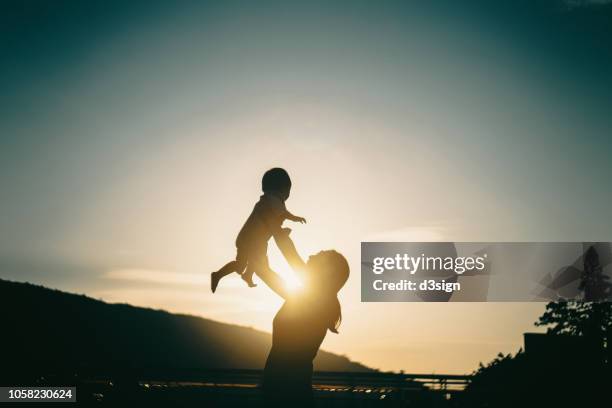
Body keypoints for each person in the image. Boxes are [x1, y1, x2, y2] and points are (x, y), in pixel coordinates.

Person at [256, 228, 350, 407]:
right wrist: (277, 235)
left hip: (286, 391)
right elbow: (287, 257)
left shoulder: (313, 298)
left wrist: (261, 246)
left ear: (326, 272)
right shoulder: (313, 295)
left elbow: (270, 272)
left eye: (320, 256)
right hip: (285, 388)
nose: (313, 254)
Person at [211, 168, 306, 292]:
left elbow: (274, 220)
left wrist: (284, 227)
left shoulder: (271, 201)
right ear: (282, 188)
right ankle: (218, 274)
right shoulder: (271, 199)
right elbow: (277, 217)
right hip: (249, 240)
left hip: (256, 241)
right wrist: (291, 220)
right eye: (288, 190)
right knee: (242, 265)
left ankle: (248, 275)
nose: (288, 194)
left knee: (257, 260)